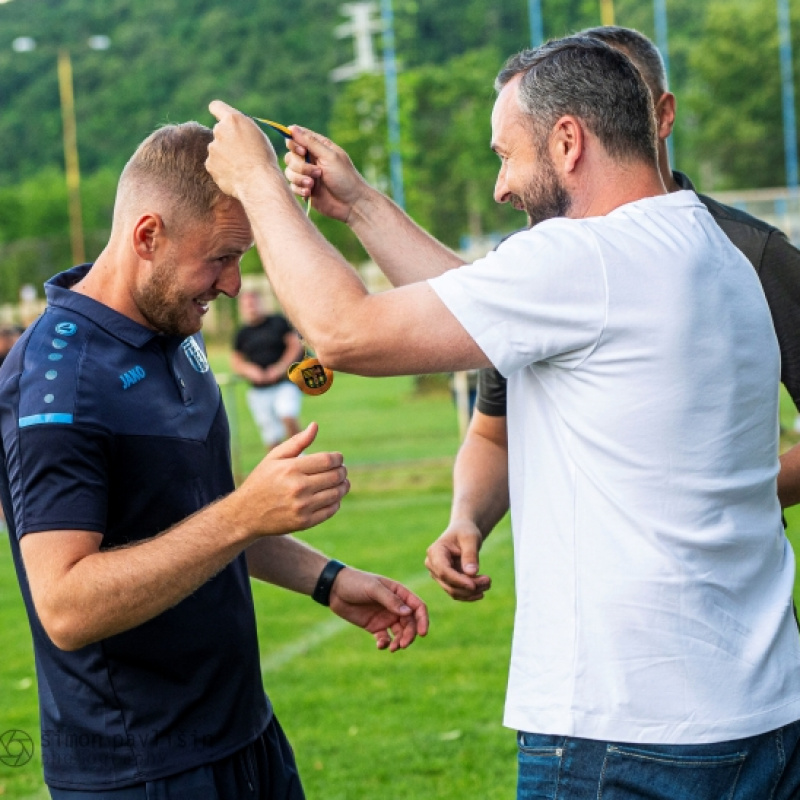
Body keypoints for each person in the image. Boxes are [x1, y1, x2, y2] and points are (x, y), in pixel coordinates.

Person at [205, 33, 800, 798]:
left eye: (505, 154)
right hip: (761, 714)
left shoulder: (586, 260)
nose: (500, 186)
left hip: (628, 731)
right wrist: (356, 204)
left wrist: (259, 184)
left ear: (568, 140)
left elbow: (344, 332)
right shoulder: (716, 253)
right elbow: (474, 300)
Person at [0, 121, 428, 800]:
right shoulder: (58, 379)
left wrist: (327, 579)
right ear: (148, 237)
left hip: (245, 733)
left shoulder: (172, 329)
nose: (231, 283)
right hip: (141, 768)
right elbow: (65, 605)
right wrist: (243, 515)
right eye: (220, 258)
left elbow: (193, 518)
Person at [468, 26, 800, 547]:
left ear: (659, 114)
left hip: (731, 585)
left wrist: (731, 494)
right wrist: (467, 519)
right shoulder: (536, 260)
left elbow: (353, 330)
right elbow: (493, 430)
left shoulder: (748, 249)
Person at [232, 289, 304, 450]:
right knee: (271, 433)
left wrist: (280, 367)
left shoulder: (277, 322)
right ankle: (279, 467)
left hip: (284, 382)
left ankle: (300, 455)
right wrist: (249, 370)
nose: (251, 308)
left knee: (287, 414)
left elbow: (295, 345)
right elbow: (236, 361)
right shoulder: (242, 333)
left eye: (253, 303)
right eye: (246, 305)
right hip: (259, 390)